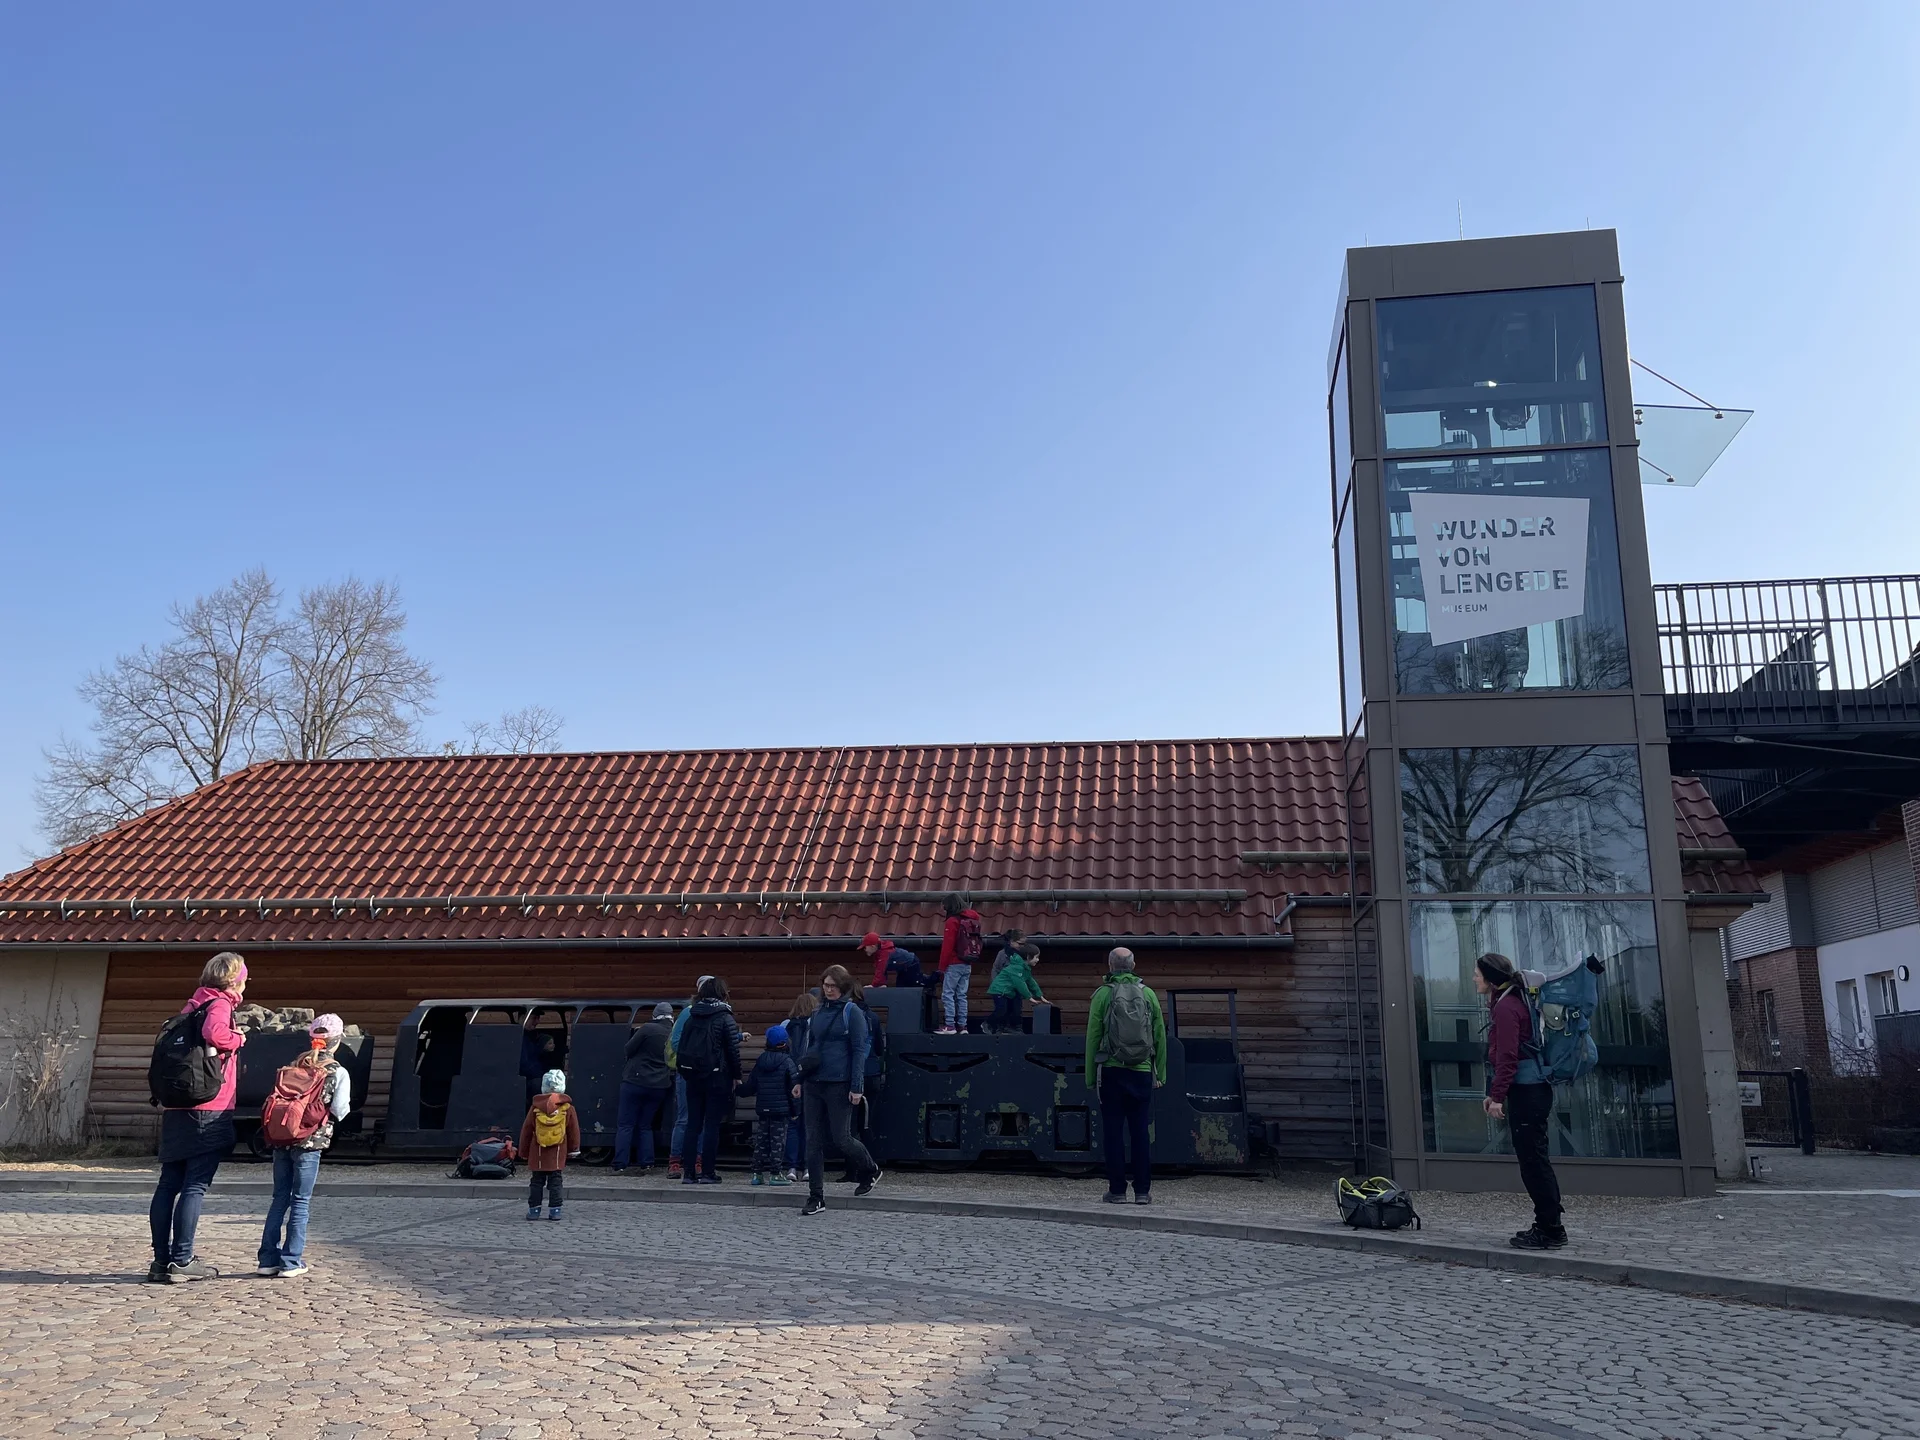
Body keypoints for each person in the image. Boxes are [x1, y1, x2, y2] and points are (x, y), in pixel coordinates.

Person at [147, 951, 248, 1283]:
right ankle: (182, 1260)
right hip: (209, 1107)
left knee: (168, 1185)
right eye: (244, 979)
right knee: (195, 1185)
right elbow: (215, 1034)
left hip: (177, 1107)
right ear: (234, 980)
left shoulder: (192, 1006)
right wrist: (239, 1038)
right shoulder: (219, 1005)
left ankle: (160, 1261)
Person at [1476, 951, 1566, 1250]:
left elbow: (1508, 1057)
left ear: (1490, 979)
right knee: (1535, 1159)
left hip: (1528, 1093)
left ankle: (1550, 1229)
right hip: (1532, 1090)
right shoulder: (1512, 1001)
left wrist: (1497, 1097)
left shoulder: (1507, 1007)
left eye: (1477, 973)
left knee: (1533, 1163)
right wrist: (1495, 1092)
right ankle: (1549, 1224)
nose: (1474, 978)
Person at [257, 1014, 354, 1277]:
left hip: (283, 1139)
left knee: (279, 1199)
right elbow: (340, 1110)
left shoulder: (292, 1066)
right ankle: (291, 1261)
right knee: (300, 1201)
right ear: (337, 1040)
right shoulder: (337, 1071)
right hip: (310, 1142)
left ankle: (267, 1260)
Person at [1084, 948, 1168, 1206]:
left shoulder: (1102, 994)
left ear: (1110, 966)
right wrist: (1160, 1072)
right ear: (1134, 965)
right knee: (1140, 1131)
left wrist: (1090, 1076)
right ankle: (1142, 1191)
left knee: (1113, 1132)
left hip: (1111, 1071)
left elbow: (1093, 1037)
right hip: (1141, 1072)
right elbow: (1159, 1035)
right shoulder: (1148, 993)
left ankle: (1117, 1191)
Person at [799, 964, 880, 1216]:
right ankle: (816, 1196)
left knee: (841, 1138)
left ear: (842, 987)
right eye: (826, 985)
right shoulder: (817, 1011)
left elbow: (859, 1051)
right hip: (814, 1082)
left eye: (833, 985)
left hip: (839, 1083)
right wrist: (799, 1079)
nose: (829, 989)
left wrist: (856, 1086)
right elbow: (809, 1046)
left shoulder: (852, 1012)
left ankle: (870, 1168)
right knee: (813, 1140)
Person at [675, 976, 742, 1185]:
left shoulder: (691, 1015)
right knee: (712, 1125)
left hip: (692, 1075)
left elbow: (681, 1044)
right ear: (722, 993)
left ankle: (688, 1173)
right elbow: (732, 1050)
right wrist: (737, 1075)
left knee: (693, 1124)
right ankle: (707, 1172)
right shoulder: (725, 1017)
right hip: (717, 1076)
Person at [615, 1002, 676, 1172]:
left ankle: (620, 1163)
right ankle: (647, 1162)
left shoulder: (647, 1029)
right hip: (660, 1085)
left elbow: (628, 1049)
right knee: (646, 1125)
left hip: (635, 1081)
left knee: (626, 1124)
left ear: (655, 1015)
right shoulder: (674, 1032)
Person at [738, 1024, 799, 1186]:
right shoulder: (788, 1062)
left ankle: (757, 1174)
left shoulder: (761, 1060)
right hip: (781, 1110)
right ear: (785, 1043)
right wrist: (795, 1111)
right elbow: (793, 1090)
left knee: (761, 1141)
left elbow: (751, 1086)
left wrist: (738, 1089)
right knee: (778, 1142)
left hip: (763, 1109)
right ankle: (775, 1173)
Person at [665, 978, 714, 1180]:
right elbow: (676, 1042)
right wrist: (696, 1057)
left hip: (706, 1072)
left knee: (701, 1118)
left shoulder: (716, 1013)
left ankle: (697, 1161)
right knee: (685, 1118)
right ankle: (675, 1162)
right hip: (688, 1072)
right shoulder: (688, 1012)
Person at [519, 1068, 581, 1221]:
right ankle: (555, 1211)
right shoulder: (568, 1108)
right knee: (556, 1181)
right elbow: (573, 1131)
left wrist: (524, 1151)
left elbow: (527, 1130)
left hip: (538, 1152)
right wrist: (574, 1149)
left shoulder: (535, 1108)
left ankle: (534, 1211)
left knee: (536, 1182)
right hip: (558, 1152)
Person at [935, 895, 984, 1034]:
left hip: (954, 963)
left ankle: (950, 1025)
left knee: (948, 994)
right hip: (967, 962)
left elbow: (947, 946)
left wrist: (941, 968)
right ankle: (963, 1026)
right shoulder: (972, 919)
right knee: (962, 995)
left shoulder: (952, 921)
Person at [783, 992, 818, 1182]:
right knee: (810, 1125)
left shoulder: (786, 1025)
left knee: (793, 1124)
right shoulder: (816, 1026)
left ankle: (791, 1166)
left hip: (791, 1079)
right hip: (811, 1079)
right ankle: (807, 1167)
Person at [986, 940, 1049, 1034]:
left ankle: (1004, 1028)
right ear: (1028, 957)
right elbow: (1020, 984)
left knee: (1008, 1011)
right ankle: (988, 1023)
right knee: (1001, 1010)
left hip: (1007, 992)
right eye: (1036, 957)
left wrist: (1040, 996)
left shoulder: (1025, 968)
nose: (1038, 960)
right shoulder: (1017, 968)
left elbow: (1031, 982)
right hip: (999, 990)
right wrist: (1029, 997)